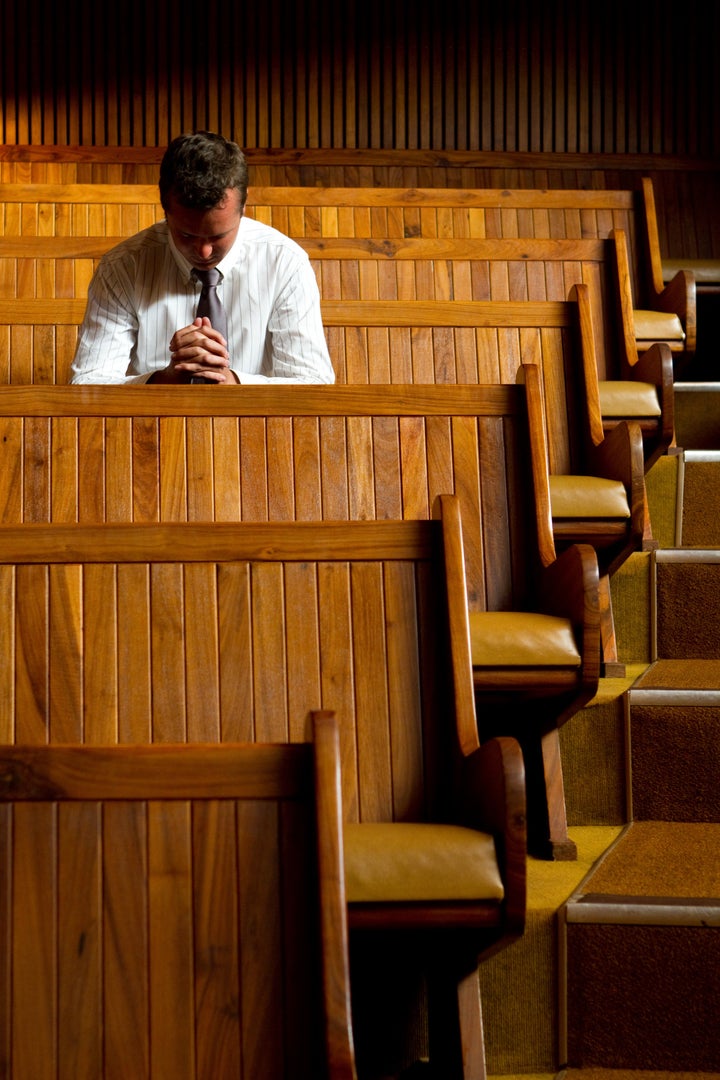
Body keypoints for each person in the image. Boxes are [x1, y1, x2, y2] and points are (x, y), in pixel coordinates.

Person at [70, 131, 335, 385]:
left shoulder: (285, 263)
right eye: (187, 235)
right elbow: (88, 383)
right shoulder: (122, 267)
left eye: (218, 235)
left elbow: (313, 382)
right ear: (165, 208)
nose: (204, 251)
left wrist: (233, 382)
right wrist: (164, 380)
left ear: (243, 206)